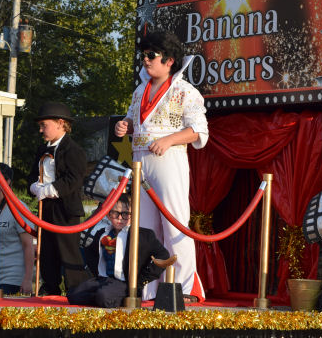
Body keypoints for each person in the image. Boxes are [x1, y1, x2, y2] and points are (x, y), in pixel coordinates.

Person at [114, 30, 209, 303]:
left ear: (169, 60)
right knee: (145, 227)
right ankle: (149, 286)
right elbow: (136, 122)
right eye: (143, 54)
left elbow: (199, 131)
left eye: (151, 55)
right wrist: (126, 126)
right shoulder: (139, 90)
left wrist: (169, 140)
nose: (145, 60)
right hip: (140, 161)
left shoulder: (184, 91)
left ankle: (185, 287)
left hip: (169, 160)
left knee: (175, 224)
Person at [28, 102, 92, 296]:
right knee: (47, 250)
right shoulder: (41, 149)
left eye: (44, 125)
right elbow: (32, 175)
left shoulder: (74, 150)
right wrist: (34, 187)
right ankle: (50, 286)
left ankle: (76, 289)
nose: (41, 130)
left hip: (65, 209)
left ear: (60, 123)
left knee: (68, 250)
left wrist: (49, 189)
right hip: (45, 208)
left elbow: (74, 179)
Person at [67, 194, 169, 307]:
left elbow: (164, 255)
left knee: (103, 296)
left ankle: (111, 297)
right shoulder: (102, 233)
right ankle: (102, 295)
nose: (120, 218)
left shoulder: (143, 235)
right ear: (108, 214)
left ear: (133, 214)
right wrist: (96, 272)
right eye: (115, 213)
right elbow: (90, 253)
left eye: (125, 214)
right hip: (104, 279)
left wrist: (141, 281)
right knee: (73, 295)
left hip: (124, 283)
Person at [0, 162, 35, 295]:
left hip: (12, 277)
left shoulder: (19, 207)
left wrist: (27, 279)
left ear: (7, 181)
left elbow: (28, 246)